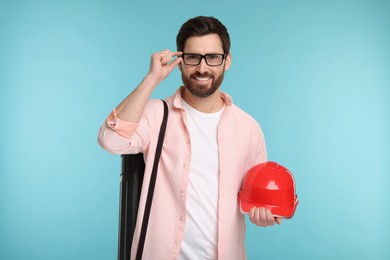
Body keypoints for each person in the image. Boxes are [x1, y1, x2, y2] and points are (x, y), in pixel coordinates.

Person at [98, 16, 281, 260]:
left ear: (227, 61)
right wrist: (152, 78)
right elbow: (111, 140)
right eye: (193, 57)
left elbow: (254, 201)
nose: (202, 68)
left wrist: (264, 213)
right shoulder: (156, 115)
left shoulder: (248, 128)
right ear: (181, 61)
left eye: (213, 57)